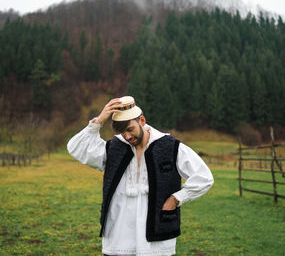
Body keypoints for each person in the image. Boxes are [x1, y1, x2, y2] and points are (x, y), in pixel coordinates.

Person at [67, 96, 214, 256]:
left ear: (142, 121)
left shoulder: (170, 146)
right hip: (118, 233)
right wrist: (99, 121)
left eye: (130, 129)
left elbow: (203, 177)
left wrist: (176, 199)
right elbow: (76, 147)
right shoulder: (114, 148)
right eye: (123, 132)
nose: (128, 137)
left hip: (156, 232)